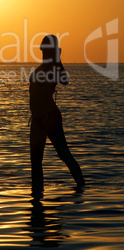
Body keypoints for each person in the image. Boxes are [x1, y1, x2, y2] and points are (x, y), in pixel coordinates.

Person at [29, 34, 85, 197]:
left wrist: (57, 57)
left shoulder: (54, 66)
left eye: (45, 49)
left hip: (49, 117)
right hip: (37, 119)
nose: (42, 52)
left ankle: (82, 188)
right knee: (36, 163)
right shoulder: (43, 67)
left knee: (64, 154)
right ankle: (37, 198)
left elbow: (65, 80)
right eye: (42, 49)